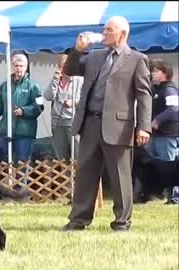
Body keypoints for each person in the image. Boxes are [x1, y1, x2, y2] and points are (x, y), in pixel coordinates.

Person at [62, 16, 152, 232]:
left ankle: (122, 222)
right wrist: (77, 50)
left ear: (122, 34)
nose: (104, 34)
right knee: (85, 174)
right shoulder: (95, 56)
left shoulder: (137, 59)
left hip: (119, 127)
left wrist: (144, 126)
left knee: (120, 177)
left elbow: (144, 94)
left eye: (109, 30)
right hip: (90, 123)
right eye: (104, 30)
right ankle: (78, 220)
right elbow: (71, 69)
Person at [0, 54, 42, 163]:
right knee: (2, 165)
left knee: (22, 165)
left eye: (21, 66)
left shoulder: (34, 86)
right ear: (12, 66)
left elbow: (40, 106)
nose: (18, 68)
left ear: (26, 67)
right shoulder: (4, 86)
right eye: (16, 65)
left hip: (25, 134)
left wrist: (24, 111)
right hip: (5, 132)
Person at [147, 59, 179, 204]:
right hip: (156, 136)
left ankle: (174, 197)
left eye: (156, 71)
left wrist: (157, 121)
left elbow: (173, 109)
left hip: (167, 135)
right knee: (156, 165)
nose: (152, 73)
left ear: (165, 73)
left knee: (169, 165)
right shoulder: (156, 89)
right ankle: (159, 192)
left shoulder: (169, 89)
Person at [44, 54, 83, 161]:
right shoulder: (56, 80)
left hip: (73, 122)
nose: (65, 69)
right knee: (61, 157)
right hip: (57, 122)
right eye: (62, 66)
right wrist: (54, 80)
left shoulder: (79, 80)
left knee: (77, 155)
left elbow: (85, 98)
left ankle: (77, 177)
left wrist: (74, 102)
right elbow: (48, 96)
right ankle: (64, 177)